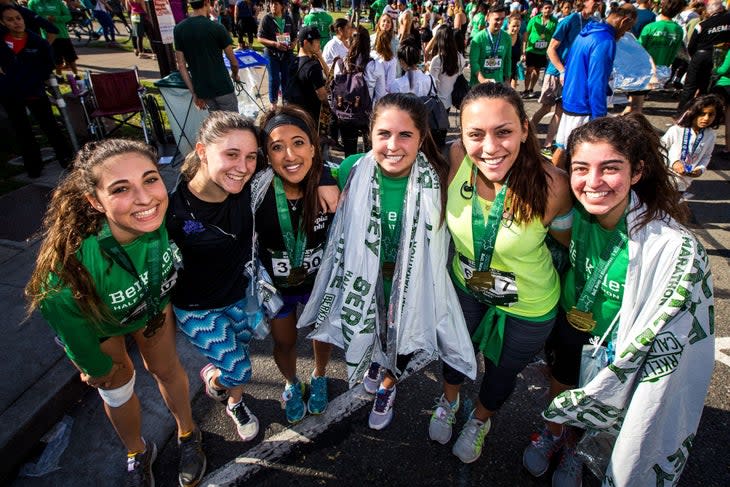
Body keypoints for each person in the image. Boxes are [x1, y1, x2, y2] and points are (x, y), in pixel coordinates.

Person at [527, 114, 714, 486]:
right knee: (562, 384)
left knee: (608, 404)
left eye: (610, 168)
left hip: (621, 345)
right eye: (581, 168)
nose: (593, 183)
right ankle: (554, 435)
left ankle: (577, 451)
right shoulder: (573, 212)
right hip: (571, 322)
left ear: (638, 171)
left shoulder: (668, 245)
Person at [25, 139, 206, 487]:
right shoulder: (68, 269)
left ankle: (188, 433)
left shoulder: (163, 214)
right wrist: (93, 367)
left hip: (152, 308)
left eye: (150, 179)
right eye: (121, 188)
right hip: (101, 325)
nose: (145, 198)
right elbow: (67, 323)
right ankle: (136, 452)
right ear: (95, 201)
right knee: (116, 386)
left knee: (167, 369)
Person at [298, 93, 478, 431]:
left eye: (405, 135)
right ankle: (375, 363)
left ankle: (387, 386)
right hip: (367, 280)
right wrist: (322, 177)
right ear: (371, 134)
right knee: (372, 331)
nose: (393, 145)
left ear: (422, 138)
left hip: (415, 284)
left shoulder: (440, 175)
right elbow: (306, 166)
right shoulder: (353, 168)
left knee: (402, 341)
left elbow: (476, 154)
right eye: (383, 134)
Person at [427, 82, 572, 464]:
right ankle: (449, 400)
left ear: (525, 129)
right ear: (463, 136)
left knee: (501, 373)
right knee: (456, 353)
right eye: (477, 134)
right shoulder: (458, 156)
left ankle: (479, 420)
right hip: (468, 284)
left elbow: (570, 244)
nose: (490, 148)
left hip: (528, 304)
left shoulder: (553, 185)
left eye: (504, 132)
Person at [167, 112, 262, 443]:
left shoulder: (250, 183)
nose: (243, 166)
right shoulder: (172, 211)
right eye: (231, 154)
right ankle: (216, 382)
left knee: (242, 354)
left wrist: (322, 177)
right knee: (240, 368)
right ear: (202, 151)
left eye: (251, 156)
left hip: (241, 296)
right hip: (197, 309)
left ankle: (234, 402)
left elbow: (296, 163)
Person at [256, 105, 336, 423]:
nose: (289, 155)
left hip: (318, 282)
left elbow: (365, 165)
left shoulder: (328, 186)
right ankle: (291, 382)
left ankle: (319, 375)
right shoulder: (256, 191)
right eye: (277, 147)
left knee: (323, 334)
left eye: (299, 142)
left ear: (314, 148)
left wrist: (328, 173)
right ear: (266, 155)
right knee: (284, 342)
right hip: (278, 289)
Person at [552, 3, 636, 168]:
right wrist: (599, 118)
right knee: (579, 156)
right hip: (585, 105)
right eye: (628, 27)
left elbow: (571, 63)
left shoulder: (587, 32)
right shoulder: (605, 40)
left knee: (562, 147)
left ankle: (550, 187)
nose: (626, 32)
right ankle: (562, 190)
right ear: (624, 21)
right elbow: (596, 81)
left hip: (571, 98)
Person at [0, 4, 72, 178]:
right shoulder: (2, 43)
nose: (16, 23)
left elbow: (47, 64)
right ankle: (34, 166)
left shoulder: (37, 42)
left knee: (50, 125)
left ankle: (66, 158)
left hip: (34, 91)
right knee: (22, 130)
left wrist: (35, 78)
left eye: (18, 18)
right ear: (2, 23)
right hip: (10, 93)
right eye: (10, 20)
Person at [531, 0, 597, 158]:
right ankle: (526, 134)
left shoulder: (593, 23)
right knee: (546, 108)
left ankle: (547, 145)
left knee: (560, 111)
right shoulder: (570, 21)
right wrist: (562, 71)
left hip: (573, 77)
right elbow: (551, 48)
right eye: (594, 1)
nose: (597, 4)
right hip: (556, 72)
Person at [174, 0, 240, 112]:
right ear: (206, 2)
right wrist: (235, 75)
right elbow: (233, 62)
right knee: (233, 126)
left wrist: (194, 93)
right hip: (222, 87)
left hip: (202, 90)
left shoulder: (179, 29)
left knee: (216, 127)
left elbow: (181, 65)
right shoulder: (217, 27)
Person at [662, 94, 723, 198]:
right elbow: (660, 149)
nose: (706, 118)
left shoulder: (711, 135)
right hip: (665, 179)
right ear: (693, 113)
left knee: (672, 208)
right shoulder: (676, 130)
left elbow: (707, 156)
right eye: (702, 114)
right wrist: (673, 162)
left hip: (684, 182)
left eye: (711, 114)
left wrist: (700, 169)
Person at [629, 0, 685, 114]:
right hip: (662, 70)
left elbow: (639, 48)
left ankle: (633, 120)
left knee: (635, 101)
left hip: (644, 68)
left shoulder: (650, 27)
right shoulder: (678, 30)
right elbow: (674, 52)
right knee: (638, 100)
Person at [677, 0, 730, 115]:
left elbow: (691, 46)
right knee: (706, 87)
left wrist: (693, 57)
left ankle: (682, 113)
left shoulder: (702, 24)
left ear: (709, 11)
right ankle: (704, 111)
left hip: (700, 55)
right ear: (721, 9)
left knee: (690, 87)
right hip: (720, 57)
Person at [337, 24, 380, 155]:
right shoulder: (374, 65)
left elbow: (337, 87)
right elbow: (381, 94)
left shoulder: (341, 63)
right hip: (367, 114)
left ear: (350, 42)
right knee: (370, 153)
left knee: (349, 152)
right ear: (368, 43)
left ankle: (349, 173)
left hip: (345, 112)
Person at [284, 25, 329, 126]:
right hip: (311, 117)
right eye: (317, 41)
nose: (319, 44)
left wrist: (320, 57)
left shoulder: (293, 61)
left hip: (295, 113)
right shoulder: (313, 66)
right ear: (306, 43)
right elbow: (322, 95)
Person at [27, 0, 79, 79]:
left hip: (62, 35)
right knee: (56, 59)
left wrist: (55, 18)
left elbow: (68, 17)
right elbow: (31, 19)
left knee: (71, 58)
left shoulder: (58, 2)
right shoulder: (33, 3)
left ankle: (76, 75)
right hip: (47, 36)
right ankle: (59, 76)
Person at [257, 0, 294, 106]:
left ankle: (286, 103)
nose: (273, 6)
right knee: (274, 79)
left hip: (286, 53)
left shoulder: (288, 18)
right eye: (271, 3)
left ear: (282, 6)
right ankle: (273, 104)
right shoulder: (266, 19)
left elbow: (295, 36)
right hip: (271, 53)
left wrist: (293, 44)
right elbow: (259, 38)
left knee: (286, 78)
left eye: (276, 4)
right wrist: (274, 44)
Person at [522, 1, 557, 98]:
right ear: (541, 9)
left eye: (550, 8)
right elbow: (526, 33)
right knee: (529, 70)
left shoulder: (554, 21)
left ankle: (531, 89)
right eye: (546, 8)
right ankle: (525, 89)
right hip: (531, 50)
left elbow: (555, 36)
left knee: (537, 71)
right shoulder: (534, 19)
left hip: (542, 51)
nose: (548, 10)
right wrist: (524, 49)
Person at [469, 6, 512, 85]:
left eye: (502, 19)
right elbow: (473, 62)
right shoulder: (478, 38)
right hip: (479, 85)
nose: (500, 22)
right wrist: (482, 80)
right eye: (497, 19)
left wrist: (507, 80)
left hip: (498, 83)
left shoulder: (507, 38)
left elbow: (507, 60)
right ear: (488, 18)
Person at [429, 24, 466, 111]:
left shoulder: (438, 59)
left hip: (438, 101)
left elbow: (432, 82)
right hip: (450, 99)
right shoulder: (460, 57)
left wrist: (427, 69)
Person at [371, 14, 398, 100]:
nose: (386, 23)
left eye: (388, 22)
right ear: (379, 23)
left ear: (391, 25)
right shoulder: (371, 38)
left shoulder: (395, 41)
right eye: (384, 21)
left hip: (388, 78)